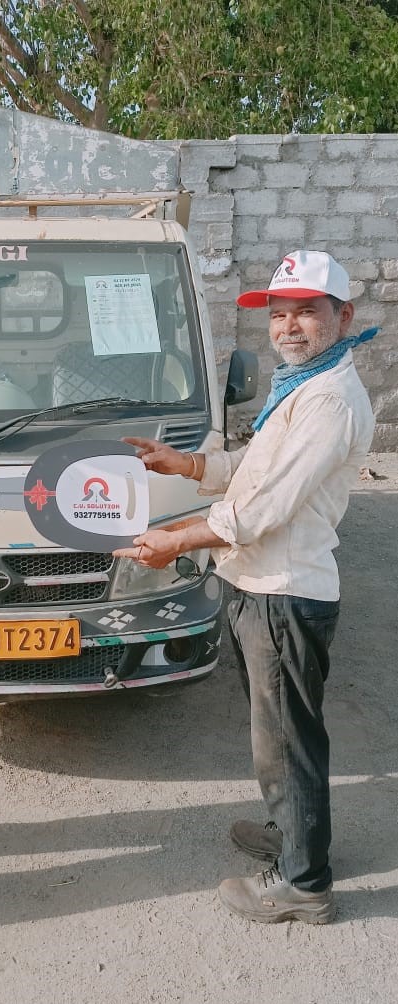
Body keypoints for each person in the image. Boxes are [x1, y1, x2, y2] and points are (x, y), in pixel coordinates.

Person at [113, 250, 375, 924]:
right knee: (275, 734)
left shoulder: (327, 398)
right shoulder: (300, 385)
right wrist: (190, 462)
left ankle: (302, 884)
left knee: (287, 739)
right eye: (279, 314)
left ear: (342, 316)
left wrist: (172, 540)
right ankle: (291, 832)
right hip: (260, 584)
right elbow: (253, 469)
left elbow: (258, 510)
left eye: (306, 311)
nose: (288, 326)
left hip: (284, 591)